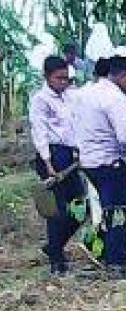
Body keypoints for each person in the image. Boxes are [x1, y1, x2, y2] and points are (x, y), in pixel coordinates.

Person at [73, 54, 126, 277]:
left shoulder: (87, 93)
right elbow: (124, 137)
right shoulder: (114, 98)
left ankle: (105, 252)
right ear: (125, 76)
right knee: (120, 211)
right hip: (109, 162)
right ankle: (115, 261)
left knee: (111, 209)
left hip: (90, 161)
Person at [29, 55, 87, 276]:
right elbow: (39, 131)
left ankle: (53, 246)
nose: (63, 82)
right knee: (58, 212)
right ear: (47, 77)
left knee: (80, 208)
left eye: (66, 78)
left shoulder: (71, 96)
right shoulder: (40, 100)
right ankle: (56, 261)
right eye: (59, 78)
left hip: (70, 156)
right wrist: (48, 161)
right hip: (52, 156)